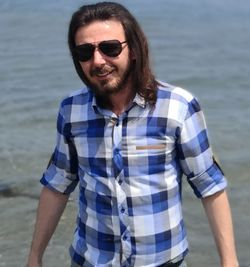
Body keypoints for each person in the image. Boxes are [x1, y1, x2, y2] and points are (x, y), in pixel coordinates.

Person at [26, 2, 239, 267]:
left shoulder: (177, 107)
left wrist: (229, 261)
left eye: (110, 48)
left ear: (134, 49)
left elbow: (210, 186)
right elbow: (57, 185)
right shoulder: (72, 110)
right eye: (85, 52)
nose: (98, 61)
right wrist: (35, 257)